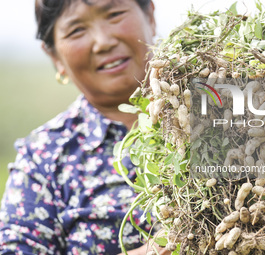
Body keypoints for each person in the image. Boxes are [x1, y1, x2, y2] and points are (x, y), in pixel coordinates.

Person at [0, 0, 169, 254]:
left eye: (114, 14)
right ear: (55, 56)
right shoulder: (44, 158)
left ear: (151, 16)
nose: (103, 42)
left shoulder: (216, 107)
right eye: (77, 30)